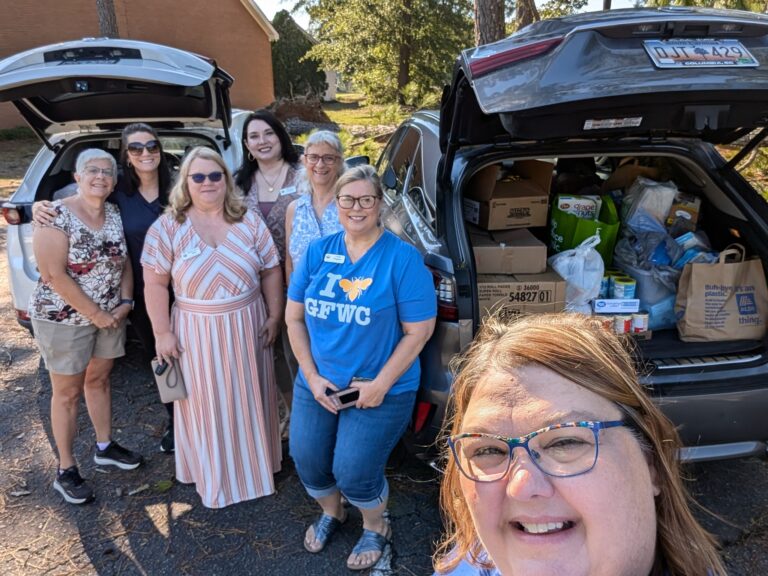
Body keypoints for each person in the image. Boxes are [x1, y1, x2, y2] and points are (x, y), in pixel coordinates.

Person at [433, 313, 727, 576]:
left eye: (566, 441)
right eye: (487, 450)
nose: (521, 488)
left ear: (651, 462)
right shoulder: (464, 566)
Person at [286, 165, 437, 571]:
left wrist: (379, 386)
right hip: (318, 382)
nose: (357, 207)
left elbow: (418, 333)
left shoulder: (402, 259)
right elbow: (293, 319)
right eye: (347, 199)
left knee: (353, 471)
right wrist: (312, 377)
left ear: (379, 205)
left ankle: (375, 525)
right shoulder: (318, 252)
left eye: (366, 199)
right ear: (336, 204)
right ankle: (333, 513)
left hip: (379, 386)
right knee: (308, 459)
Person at [141, 146, 284, 509]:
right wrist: (162, 333)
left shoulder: (248, 219)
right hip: (195, 330)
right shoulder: (167, 226)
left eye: (215, 175)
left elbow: (270, 270)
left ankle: (257, 468)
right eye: (198, 177)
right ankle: (214, 474)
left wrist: (274, 316)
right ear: (185, 182)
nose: (207, 183)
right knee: (206, 404)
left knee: (250, 395)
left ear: (226, 179)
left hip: (247, 323)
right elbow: (155, 284)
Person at [32, 123, 177, 454]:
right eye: (136, 148)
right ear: (126, 156)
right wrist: (36, 207)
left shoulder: (179, 187)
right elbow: (73, 207)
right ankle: (176, 420)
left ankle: (202, 419)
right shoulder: (119, 192)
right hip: (142, 295)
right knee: (161, 358)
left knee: (195, 357)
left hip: (183, 292)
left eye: (152, 146)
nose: (145, 153)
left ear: (160, 149)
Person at [29, 148, 144, 505]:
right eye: (91, 170)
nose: (100, 176)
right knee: (67, 393)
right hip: (65, 319)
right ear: (76, 178)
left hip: (110, 315)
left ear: (113, 182)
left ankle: (105, 446)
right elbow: (52, 275)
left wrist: (125, 301)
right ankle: (65, 469)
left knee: (99, 379)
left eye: (107, 171)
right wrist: (96, 314)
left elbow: (122, 261)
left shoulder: (112, 213)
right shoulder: (55, 216)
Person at [235, 110, 302, 411]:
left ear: (280, 136)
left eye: (268, 133)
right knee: (270, 349)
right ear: (246, 145)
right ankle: (290, 410)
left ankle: (309, 411)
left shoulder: (303, 173)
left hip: (299, 279)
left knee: (299, 349)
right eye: (254, 136)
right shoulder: (239, 183)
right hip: (256, 283)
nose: (262, 141)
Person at [284, 130, 346, 283]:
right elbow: (290, 263)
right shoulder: (294, 209)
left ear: (339, 162)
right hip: (303, 302)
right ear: (304, 161)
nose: (320, 164)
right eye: (313, 157)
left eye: (328, 158)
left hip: (345, 301)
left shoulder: (350, 207)